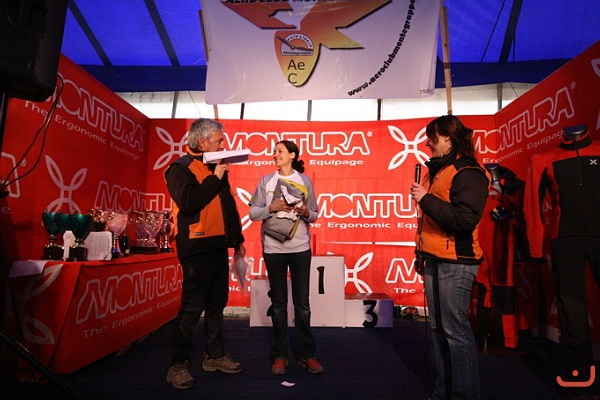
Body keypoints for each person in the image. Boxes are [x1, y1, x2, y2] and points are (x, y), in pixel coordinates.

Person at [410, 115, 489, 400]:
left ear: (447, 137)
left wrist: (425, 199)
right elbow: (429, 221)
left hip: (456, 262)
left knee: (455, 332)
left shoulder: (469, 172)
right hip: (433, 258)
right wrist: (420, 253)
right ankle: (444, 392)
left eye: (432, 137)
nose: (428, 143)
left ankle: (464, 395)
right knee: (438, 330)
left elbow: (464, 220)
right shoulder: (437, 172)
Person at [164, 118, 246, 389]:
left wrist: (238, 240)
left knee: (216, 305)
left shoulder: (215, 167)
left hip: (218, 246)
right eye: (219, 140)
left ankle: (214, 356)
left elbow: (227, 206)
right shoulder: (179, 168)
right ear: (202, 142)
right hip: (195, 249)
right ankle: (178, 364)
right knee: (191, 307)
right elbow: (189, 202)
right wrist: (214, 178)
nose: (223, 145)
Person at [523, 125, 600, 397]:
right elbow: (532, 206)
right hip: (565, 239)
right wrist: (535, 248)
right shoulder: (543, 159)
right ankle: (578, 377)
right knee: (571, 309)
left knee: (572, 307)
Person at [248, 140, 323, 375]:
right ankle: (281, 355)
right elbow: (252, 213)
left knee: (303, 305)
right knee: (278, 305)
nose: (275, 155)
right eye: (274, 151)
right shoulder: (266, 181)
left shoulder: (305, 181)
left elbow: (315, 214)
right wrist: (271, 208)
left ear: (292, 155)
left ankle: (307, 355)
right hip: (273, 249)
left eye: (280, 151)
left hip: (300, 249)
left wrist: (306, 212)